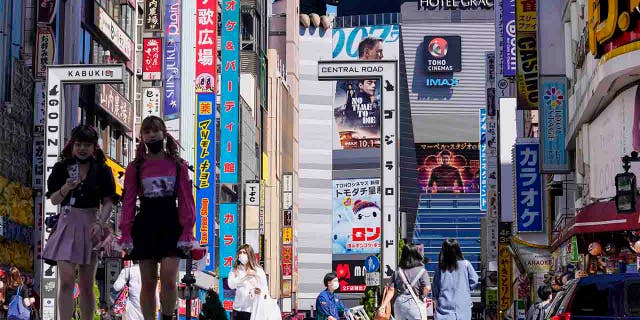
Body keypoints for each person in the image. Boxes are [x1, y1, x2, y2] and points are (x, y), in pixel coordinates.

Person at [118, 116, 196, 320]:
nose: (151, 135)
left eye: (155, 131)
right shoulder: (135, 167)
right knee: (148, 281)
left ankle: (168, 316)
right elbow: (128, 202)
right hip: (145, 224)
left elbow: (187, 199)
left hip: (171, 223)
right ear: (142, 136)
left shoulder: (178, 165)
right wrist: (125, 233)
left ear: (164, 133)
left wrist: (188, 230)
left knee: (169, 279)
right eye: (147, 132)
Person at [42, 125, 116, 320]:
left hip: (91, 223)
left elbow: (108, 201)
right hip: (67, 222)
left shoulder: (102, 170)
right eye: (78, 144)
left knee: (86, 283)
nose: (82, 148)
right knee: (66, 280)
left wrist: (100, 223)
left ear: (94, 147)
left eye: (87, 145)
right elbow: (54, 200)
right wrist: (66, 187)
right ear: (72, 145)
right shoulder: (62, 167)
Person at [379, 244, 431, 320]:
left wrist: (383, 305)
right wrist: (422, 297)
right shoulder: (422, 271)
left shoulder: (398, 271)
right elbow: (427, 287)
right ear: (417, 255)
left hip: (400, 306)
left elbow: (391, 290)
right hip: (415, 305)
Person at [432, 239, 479, 320]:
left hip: (444, 310)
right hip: (463, 308)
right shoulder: (466, 264)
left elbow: (435, 288)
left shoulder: (440, 268)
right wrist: (465, 289)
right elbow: (474, 281)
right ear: (458, 250)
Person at [227, 244, 268, 320]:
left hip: (253, 309)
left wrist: (259, 291)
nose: (242, 255)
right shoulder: (235, 270)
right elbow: (231, 285)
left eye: (245, 252)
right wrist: (245, 277)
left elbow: (265, 290)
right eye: (240, 252)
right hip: (238, 309)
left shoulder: (258, 270)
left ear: (250, 254)